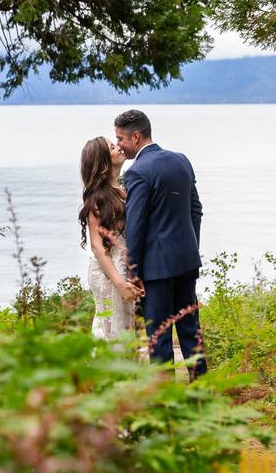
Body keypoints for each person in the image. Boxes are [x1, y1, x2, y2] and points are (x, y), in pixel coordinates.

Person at [114, 109, 207, 378]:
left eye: (120, 138)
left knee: (160, 334)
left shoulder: (137, 172)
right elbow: (196, 209)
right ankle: (201, 387)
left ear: (136, 136)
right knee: (191, 328)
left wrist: (134, 273)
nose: (118, 143)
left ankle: (165, 395)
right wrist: (190, 247)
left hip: (156, 269)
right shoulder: (181, 161)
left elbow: (136, 227)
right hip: (186, 260)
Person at [79, 136, 144, 341]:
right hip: (109, 271)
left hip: (124, 266)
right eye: (112, 147)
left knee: (125, 330)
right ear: (102, 162)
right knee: (113, 332)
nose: (119, 148)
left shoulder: (124, 187)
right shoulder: (97, 197)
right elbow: (97, 247)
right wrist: (119, 283)